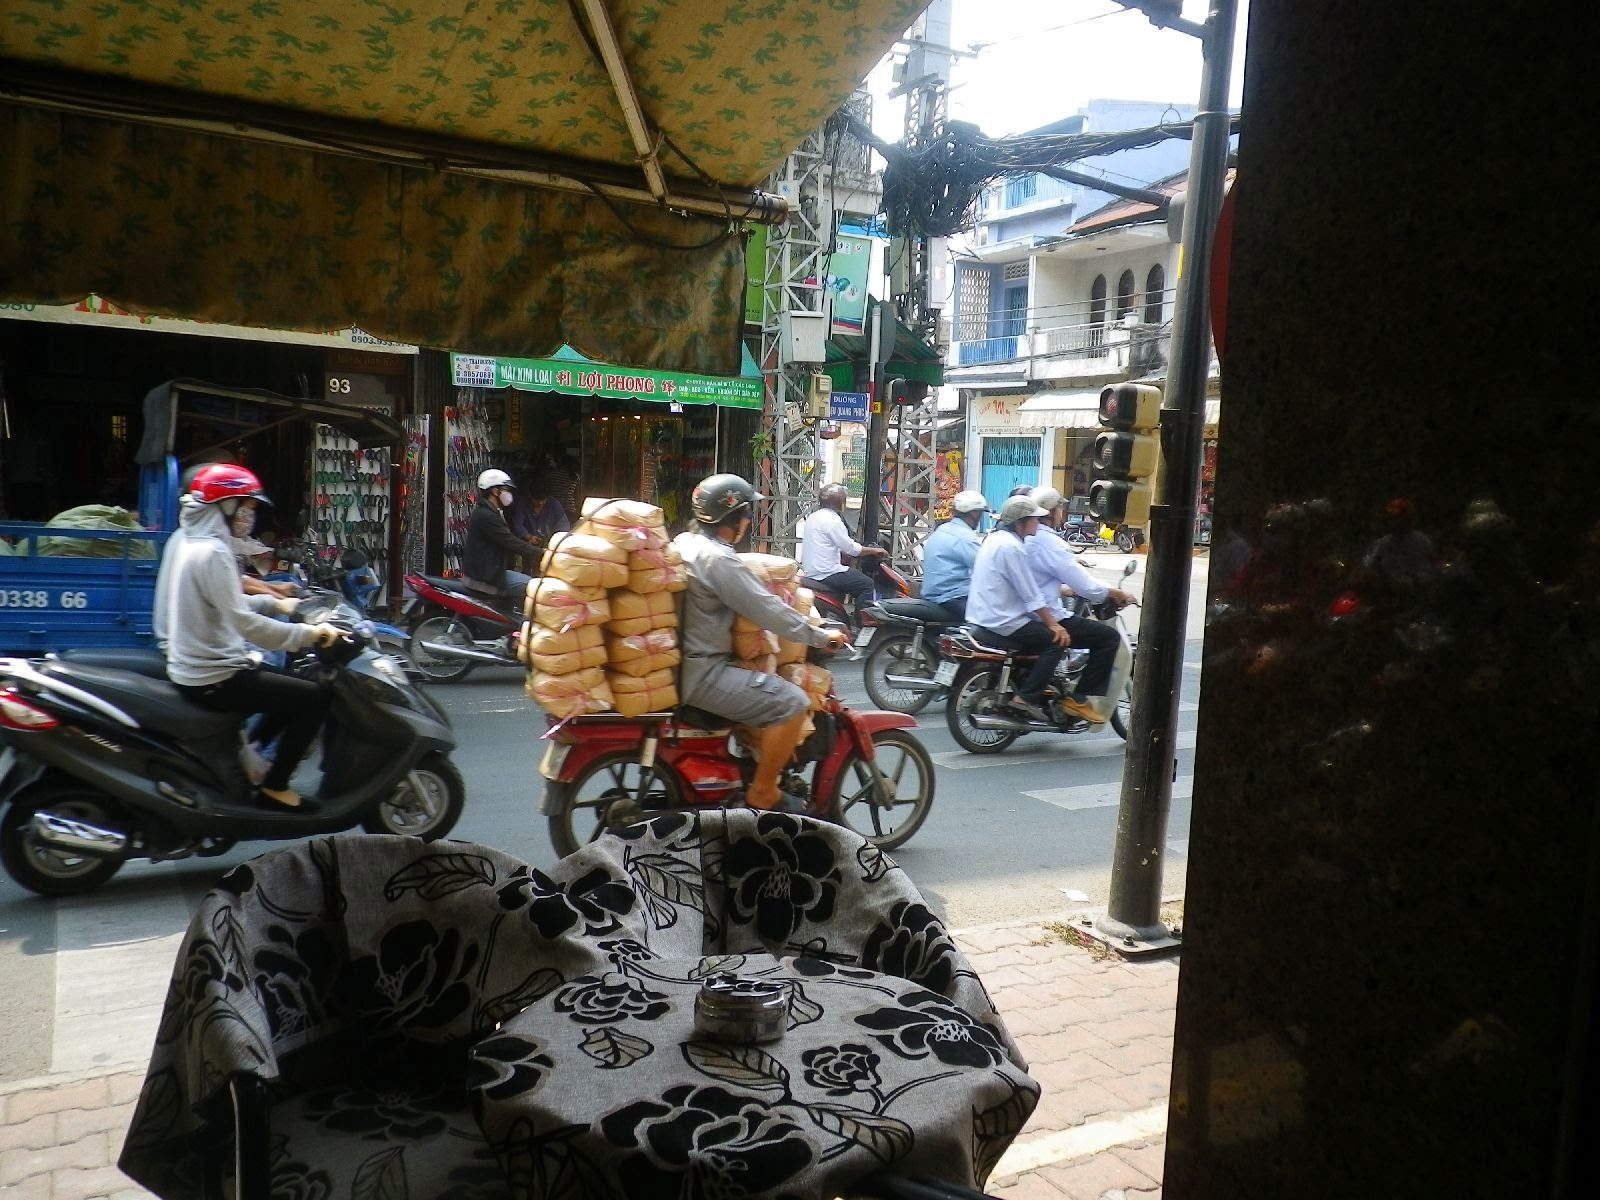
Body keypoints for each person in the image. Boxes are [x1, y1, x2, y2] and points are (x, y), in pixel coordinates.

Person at [153, 465, 343, 810]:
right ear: (226, 505)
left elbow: (229, 601)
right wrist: (309, 634)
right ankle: (276, 788)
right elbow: (244, 623)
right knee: (314, 698)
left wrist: (278, 605)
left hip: (196, 664)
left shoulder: (188, 540)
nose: (250, 515)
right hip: (215, 675)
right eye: (247, 506)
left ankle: (251, 757)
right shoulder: (212, 553)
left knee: (291, 685)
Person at [673, 474, 847, 812]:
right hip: (705, 674)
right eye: (746, 513)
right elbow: (767, 609)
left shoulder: (686, 543)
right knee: (793, 703)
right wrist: (820, 636)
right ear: (734, 518)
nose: (748, 521)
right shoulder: (718, 560)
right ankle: (763, 790)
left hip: (685, 666)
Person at [1026, 487, 1137, 723]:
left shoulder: (1026, 538)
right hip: (1044, 615)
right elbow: (1085, 584)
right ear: (1052, 512)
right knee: (1108, 639)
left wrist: (1064, 588)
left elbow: (1038, 579)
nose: (1062, 513)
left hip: (1024, 612)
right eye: (1060, 508)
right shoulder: (1051, 543)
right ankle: (1077, 699)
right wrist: (1114, 593)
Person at [966, 494, 1071, 724]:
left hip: (981, 615)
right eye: (1034, 519)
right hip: (1002, 620)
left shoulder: (993, 539)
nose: (1038, 523)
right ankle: (1026, 699)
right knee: (1056, 642)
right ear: (1020, 523)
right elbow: (1031, 594)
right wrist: (1052, 624)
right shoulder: (1012, 547)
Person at [799, 482, 886, 627]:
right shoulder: (833, 521)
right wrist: (875, 550)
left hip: (812, 571)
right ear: (840, 502)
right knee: (867, 584)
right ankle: (862, 627)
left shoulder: (813, 517)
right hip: (827, 572)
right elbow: (852, 549)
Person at [463, 468, 540, 600]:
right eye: (506, 490)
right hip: (485, 578)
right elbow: (510, 541)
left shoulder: (491, 512)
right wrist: (541, 553)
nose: (509, 494)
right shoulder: (486, 515)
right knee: (533, 586)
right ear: (495, 491)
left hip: (490, 572)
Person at [920, 490, 989, 620]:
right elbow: (984, 569)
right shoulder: (965, 537)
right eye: (980, 513)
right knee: (993, 618)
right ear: (974, 513)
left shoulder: (943, 529)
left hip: (932, 593)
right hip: (952, 597)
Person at [509, 481, 571, 550]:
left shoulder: (554, 504)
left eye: (543, 499)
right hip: (527, 545)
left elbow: (563, 525)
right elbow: (517, 524)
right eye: (536, 499)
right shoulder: (522, 504)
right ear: (530, 495)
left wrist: (554, 541)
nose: (540, 503)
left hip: (550, 545)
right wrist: (529, 537)